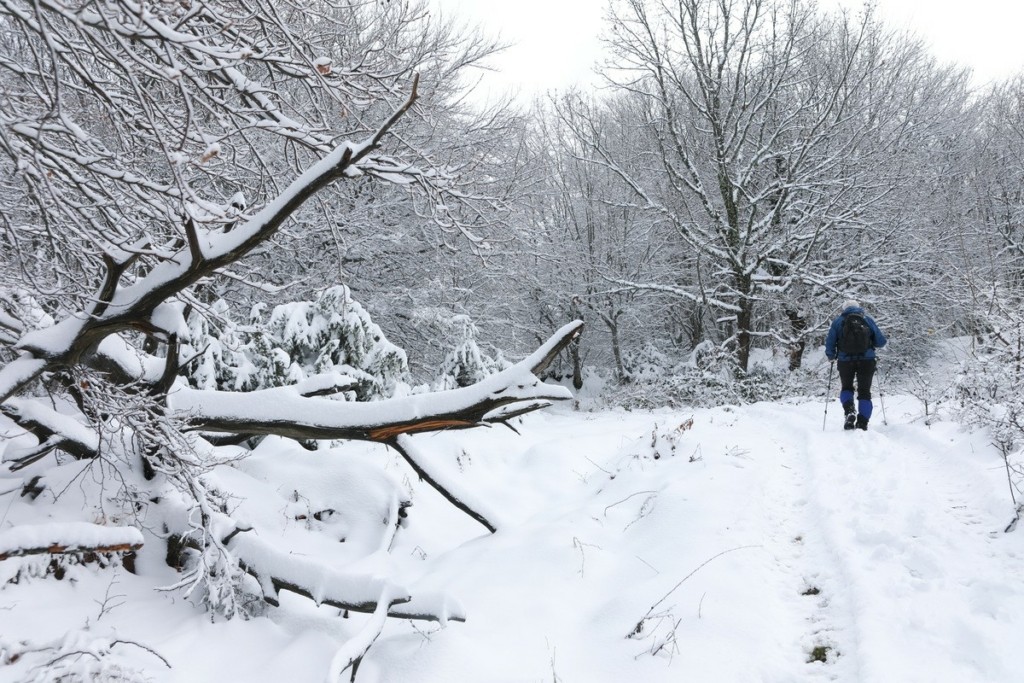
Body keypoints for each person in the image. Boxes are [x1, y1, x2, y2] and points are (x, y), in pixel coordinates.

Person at [824, 299, 887, 431]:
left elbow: (830, 342)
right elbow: (880, 342)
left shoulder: (838, 322)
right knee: (865, 392)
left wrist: (831, 356)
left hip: (845, 361)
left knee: (846, 387)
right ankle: (862, 422)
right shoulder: (867, 320)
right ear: (858, 308)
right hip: (867, 361)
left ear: (844, 309)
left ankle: (849, 411)